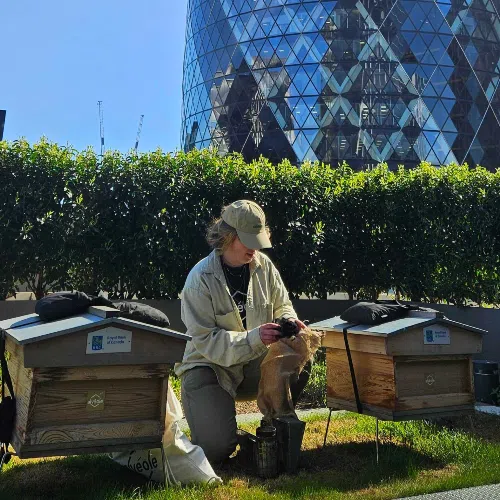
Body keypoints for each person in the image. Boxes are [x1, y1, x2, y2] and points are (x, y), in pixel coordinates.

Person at [174, 200, 310, 464]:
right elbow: (205, 341)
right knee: (215, 450)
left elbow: (283, 304)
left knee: (301, 355)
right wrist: (254, 337)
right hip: (208, 368)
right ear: (227, 237)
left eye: (258, 239)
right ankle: (229, 432)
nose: (256, 247)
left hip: (251, 364)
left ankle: (273, 425)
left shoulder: (265, 266)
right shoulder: (198, 280)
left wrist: (289, 322)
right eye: (249, 240)